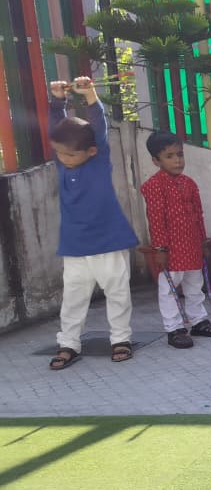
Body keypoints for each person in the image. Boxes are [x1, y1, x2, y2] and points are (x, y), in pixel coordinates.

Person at [46, 77, 138, 369]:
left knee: (117, 293)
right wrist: (57, 101)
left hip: (108, 242)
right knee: (73, 298)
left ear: (92, 151)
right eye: (59, 153)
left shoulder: (98, 161)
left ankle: (120, 339)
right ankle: (68, 343)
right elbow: (57, 130)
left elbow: (98, 127)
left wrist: (90, 95)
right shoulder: (63, 162)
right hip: (75, 246)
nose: (63, 158)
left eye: (70, 154)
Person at [139, 131, 211, 348]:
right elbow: (156, 220)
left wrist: (203, 242)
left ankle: (198, 321)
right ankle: (174, 328)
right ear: (156, 160)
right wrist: (160, 249)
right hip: (170, 249)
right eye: (169, 156)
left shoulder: (189, 183)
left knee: (195, 283)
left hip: (192, 244)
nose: (177, 160)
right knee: (168, 288)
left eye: (180, 154)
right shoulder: (153, 186)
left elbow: (198, 214)